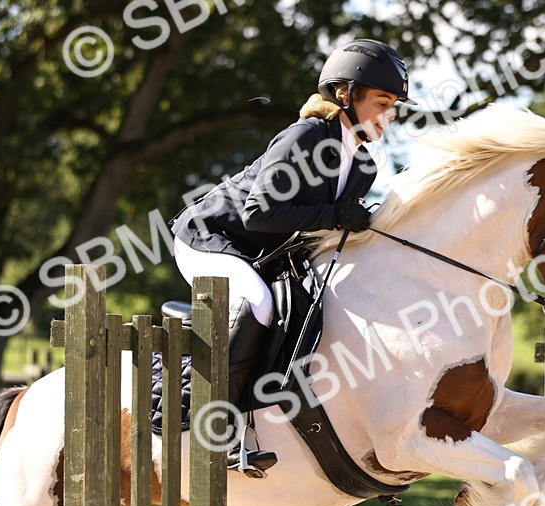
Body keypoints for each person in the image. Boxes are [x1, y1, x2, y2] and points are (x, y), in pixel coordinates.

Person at [169, 39, 412, 477]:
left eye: (393, 106)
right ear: (345, 94)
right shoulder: (306, 137)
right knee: (260, 303)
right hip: (209, 236)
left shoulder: (363, 167)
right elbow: (258, 213)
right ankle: (217, 424)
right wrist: (336, 215)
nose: (388, 115)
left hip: (261, 253)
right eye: (382, 102)